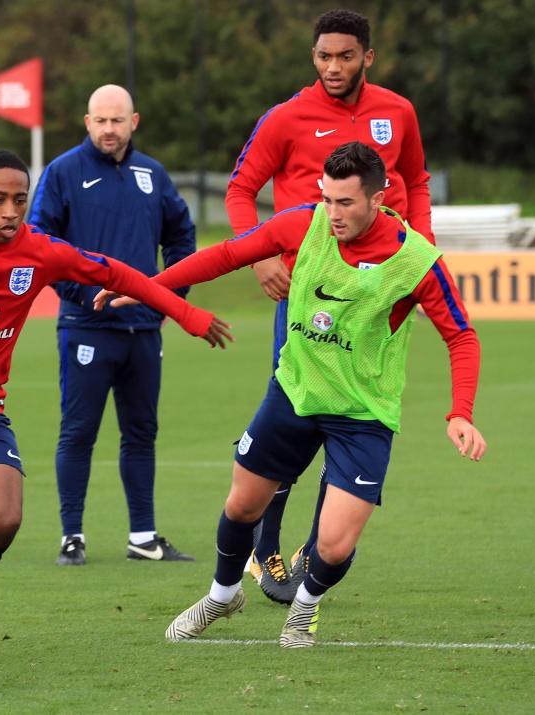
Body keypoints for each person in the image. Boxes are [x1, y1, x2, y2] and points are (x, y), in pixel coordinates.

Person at [95, 142, 485, 648]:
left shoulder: (416, 261)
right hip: (294, 393)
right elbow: (226, 255)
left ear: (377, 196)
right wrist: (150, 288)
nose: (333, 213)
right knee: (241, 507)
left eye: (345, 203)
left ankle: (304, 607)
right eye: (327, 199)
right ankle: (223, 594)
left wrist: (461, 412)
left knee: (334, 543)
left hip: (362, 414)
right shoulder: (304, 223)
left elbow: (461, 335)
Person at [0, 149, 231, 655]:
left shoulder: (40, 251)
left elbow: (120, 274)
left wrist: (186, 315)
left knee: (3, 520)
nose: (10, 212)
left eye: (20, 200)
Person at [224, 9, 435, 604]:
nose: (334, 67)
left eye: (345, 56)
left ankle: (317, 546)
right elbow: (240, 190)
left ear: (368, 56)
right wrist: (258, 256)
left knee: (357, 412)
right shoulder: (286, 118)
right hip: (308, 295)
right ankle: (265, 548)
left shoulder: (398, 112)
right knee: (295, 411)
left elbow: (415, 183)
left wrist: (421, 253)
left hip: (376, 301)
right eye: (323, 56)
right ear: (313, 57)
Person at [28, 84, 199, 566]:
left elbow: (181, 235)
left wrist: (171, 294)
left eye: (117, 120)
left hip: (144, 330)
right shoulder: (63, 172)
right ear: (87, 123)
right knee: (78, 432)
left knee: (142, 432)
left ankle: (142, 538)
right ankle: (72, 536)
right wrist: (85, 297)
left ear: (134, 122)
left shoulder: (152, 173)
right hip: (86, 327)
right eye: (100, 120)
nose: (109, 129)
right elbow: (43, 246)